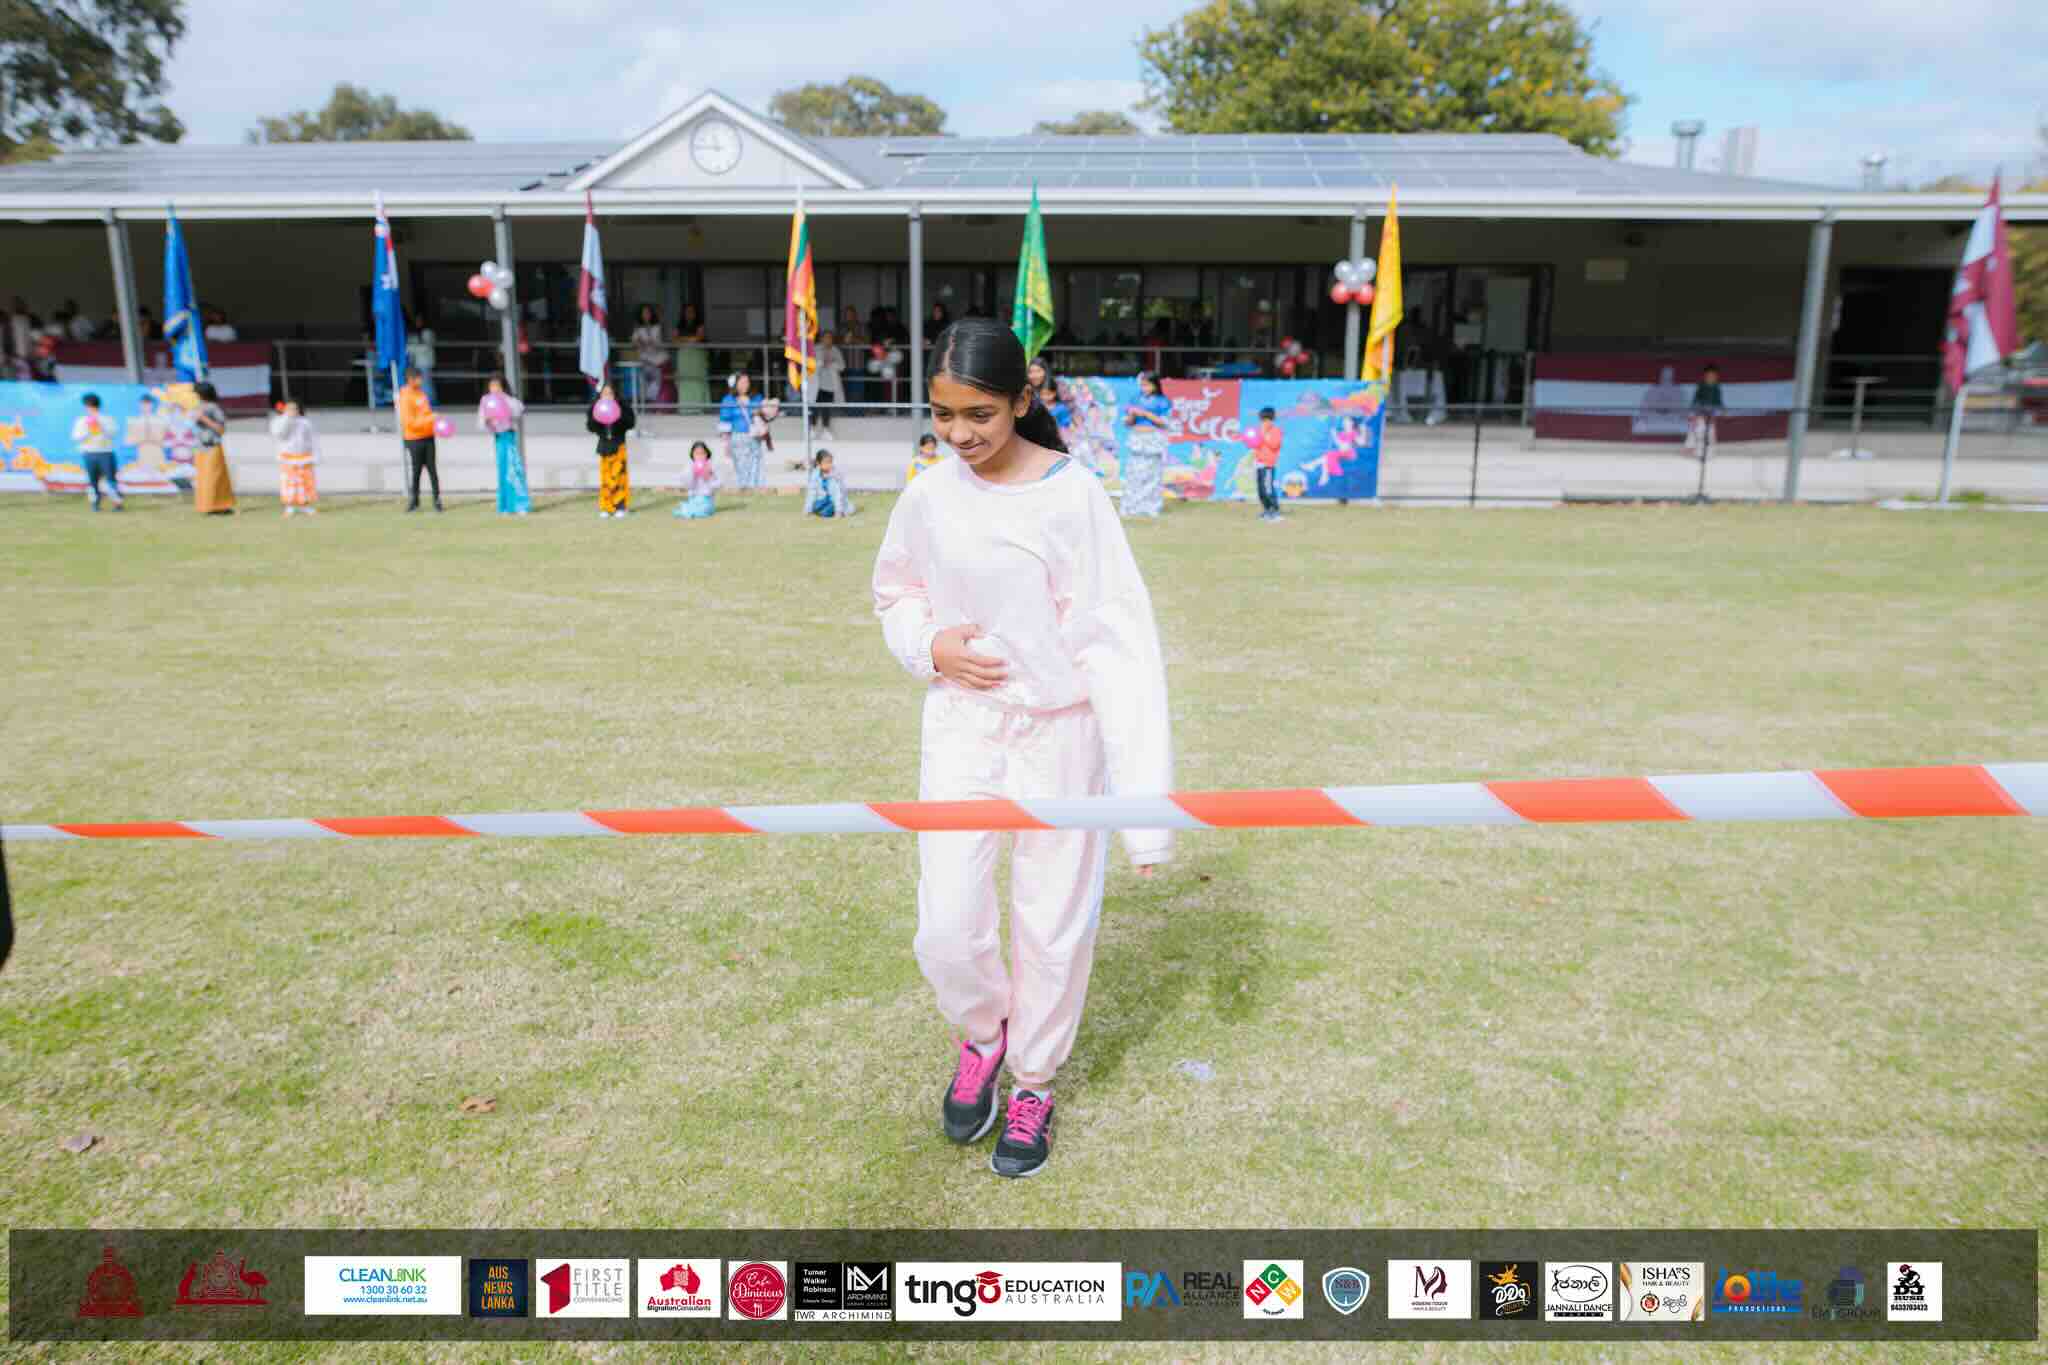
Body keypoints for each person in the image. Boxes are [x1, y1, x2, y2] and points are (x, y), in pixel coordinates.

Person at [871, 318, 1172, 1180]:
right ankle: (982, 1036)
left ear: (1021, 400)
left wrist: (1145, 815)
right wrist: (931, 646)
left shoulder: (1074, 497)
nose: (960, 434)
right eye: (943, 415)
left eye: (980, 414)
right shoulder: (928, 495)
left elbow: (1121, 647)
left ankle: (1033, 1080)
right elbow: (895, 592)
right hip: (962, 725)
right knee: (946, 920)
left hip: (1061, 734)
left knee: (1052, 922)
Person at [477, 374, 530, 515]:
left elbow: (520, 409)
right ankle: (505, 506)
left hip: (509, 437)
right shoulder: (485, 400)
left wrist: (506, 403)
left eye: (497, 386)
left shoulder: (508, 399)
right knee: (502, 472)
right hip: (499, 438)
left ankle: (521, 505)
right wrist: (487, 420)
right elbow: (481, 422)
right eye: (492, 386)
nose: (494, 389)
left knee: (515, 469)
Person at [1120, 371, 1170, 519]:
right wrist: (1132, 414)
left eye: (1147, 385)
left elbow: (1164, 423)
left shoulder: (1163, 401)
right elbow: (1127, 423)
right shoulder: (1135, 399)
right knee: (1134, 473)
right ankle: (1131, 506)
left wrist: (1146, 414)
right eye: (1142, 385)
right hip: (1136, 438)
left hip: (1153, 439)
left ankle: (1151, 507)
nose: (1144, 388)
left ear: (1155, 385)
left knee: (1152, 474)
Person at [396, 366, 442, 512]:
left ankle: (437, 500)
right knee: (417, 471)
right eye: (418, 378)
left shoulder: (422, 394)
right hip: (414, 439)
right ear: (410, 379)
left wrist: (433, 422)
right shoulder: (405, 397)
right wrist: (430, 419)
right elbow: (409, 422)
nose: (421, 381)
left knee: (432, 470)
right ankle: (414, 501)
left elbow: (426, 412)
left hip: (428, 436)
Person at [587, 382, 636, 518]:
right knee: (605, 479)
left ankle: (620, 506)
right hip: (604, 447)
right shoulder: (596, 407)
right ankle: (606, 507)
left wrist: (619, 415)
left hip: (618, 446)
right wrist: (596, 419)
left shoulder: (622, 407)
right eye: (604, 393)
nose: (607, 396)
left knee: (620, 478)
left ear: (615, 395)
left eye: (610, 393)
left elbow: (631, 423)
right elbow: (591, 427)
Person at [191, 381, 236, 515]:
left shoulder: (214, 408)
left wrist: (204, 419)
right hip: (200, 448)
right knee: (203, 479)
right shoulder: (198, 407)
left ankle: (220, 506)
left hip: (212, 447)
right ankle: (205, 506)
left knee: (214, 478)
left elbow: (221, 429)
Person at [73, 392, 123, 511]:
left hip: (105, 453)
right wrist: (88, 430)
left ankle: (117, 504)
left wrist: (101, 427)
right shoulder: (82, 421)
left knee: (111, 480)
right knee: (92, 481)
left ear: (97, 406)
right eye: (88, 406)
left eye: (92, 406)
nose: (90, 409)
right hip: (89, 453)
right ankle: (95, 504)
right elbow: (76, 437)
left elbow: (113, 433)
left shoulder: (106, 419)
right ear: (85, 407)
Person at [268, 400, 319, 515]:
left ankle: (305, 505)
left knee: (305, 483)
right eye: (290, 408)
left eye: (295, 408)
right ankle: (289, 506)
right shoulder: (278, 421)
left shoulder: (305, 422)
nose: (293, 411)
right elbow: (279, 434)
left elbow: (313, 439)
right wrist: (287, 419)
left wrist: (316, 455)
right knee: (289, 483)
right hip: (288, 457)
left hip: (304, 457)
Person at [719, 371, 764, 489]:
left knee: (756, 463)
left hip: (755, 436)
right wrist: (725, 443)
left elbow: (764, 414)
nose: (745, 385)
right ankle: (744, 488)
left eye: (747, 382)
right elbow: (724, 421)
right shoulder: (728, 400)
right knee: (741, 465)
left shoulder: (757, 398)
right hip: (737, 437)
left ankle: (755, 488)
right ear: (735, 384)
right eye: (742, 382)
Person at [1245, 406, 1285, 521]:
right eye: (1263, 420)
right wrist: (1249, 440)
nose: (1264, 423)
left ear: (1271, 419)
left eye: (1266, 420)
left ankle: (1274, 511)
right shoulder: (1258, 430)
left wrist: (1264, 436)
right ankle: (1267, 509)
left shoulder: (1275, 431)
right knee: (1261, 490)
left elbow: (1275, 445)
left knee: (1268, 489)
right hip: (1259, 464)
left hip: (1269, 464)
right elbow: (1254, 444)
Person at [672, 303, 710, 413]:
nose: (689, 314)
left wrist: (683, 339)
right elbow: (674, 340)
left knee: (697, 380)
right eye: (687, 311)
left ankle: (700, 407)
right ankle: (686, 408)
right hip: (683, 357)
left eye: (691, 312)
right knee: (685, 381)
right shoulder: (679, 325)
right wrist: (690, 339)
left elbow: (699, 338)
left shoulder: (700, 324)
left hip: (697, 356)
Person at [674, 440, 721, 519]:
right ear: (692, 455)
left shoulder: (711, 466)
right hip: (693, 498)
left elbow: (719, 483)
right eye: (697, 454)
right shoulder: (689, 466)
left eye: (702, 453)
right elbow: (686, 484)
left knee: (701, 510)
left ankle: (692, 512)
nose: (700, 456)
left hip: (706, 499)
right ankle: (688, 510)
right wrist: (692, 474)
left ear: (707, 454)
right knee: (687, 508)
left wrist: (709, 478)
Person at [632, 304, 667, 410]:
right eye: (644, 313)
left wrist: (649, 342)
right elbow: (635, 342)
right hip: (644, 360)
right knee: (644, 382)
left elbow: (658, 342)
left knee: (657, 382)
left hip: (657, 360)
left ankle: (652, 403)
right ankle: (646, 405)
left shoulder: (657, 327)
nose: (646, 315)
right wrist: (641, 342)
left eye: (648, 313)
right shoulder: (638, 329)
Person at [1687, 362, 1724, 461]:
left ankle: (1709, 453)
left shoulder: (1717, 388)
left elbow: (1718, 401)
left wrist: (1723, 410)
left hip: (1710, 416)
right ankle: (1698, 453)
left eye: (1713, 376)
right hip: (1700, 414)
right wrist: (1694, 412)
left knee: (1710, 434)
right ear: (1705, 376)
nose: (1711, 378)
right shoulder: (1701, 386)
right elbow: (1695, 400)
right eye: (1709, 376)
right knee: (1699, 432)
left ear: (1716, 377)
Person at [805, 450, 856, 519]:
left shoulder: (835, 475)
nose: (829, 465)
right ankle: (823, 511)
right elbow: (811, 493)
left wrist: (838, 511)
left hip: (835, 501)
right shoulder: (815, 475)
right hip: (824, 500)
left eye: (830, 462)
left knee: (825, 512)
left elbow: (838, 494)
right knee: (815, 507)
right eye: (826, 462)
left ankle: (842, 510)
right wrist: (808, 509)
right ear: (819, 463)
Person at [816, 330, 846, 436]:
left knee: (826, 407)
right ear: (821, 339)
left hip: (830, 384)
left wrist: (832, 364)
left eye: (830, 338)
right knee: (814, 407)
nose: (828, 340)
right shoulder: (815, 349)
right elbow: (810, 364)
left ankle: (826, 429)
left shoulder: (835, 350)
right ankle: (811, 429)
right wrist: (821, 363)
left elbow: (842, 366)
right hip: (816, 384)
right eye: (826, 337)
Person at [406, 314, 437, 404]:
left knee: (427, 383)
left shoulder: (428, 332)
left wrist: (412, 348)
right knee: (420, 384)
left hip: (425, 362)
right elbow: (408, 348)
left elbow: (425, 347)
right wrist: (412, 348)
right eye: (417, 320)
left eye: (420, 320)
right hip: (416, 363)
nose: (418, 322)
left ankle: (430, 402)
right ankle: (423, 402)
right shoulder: (414, 333)